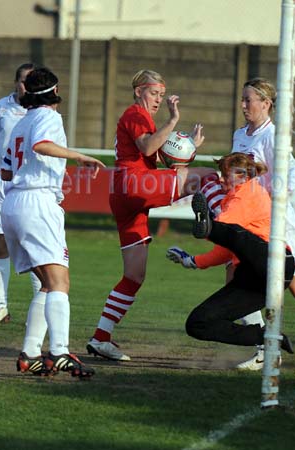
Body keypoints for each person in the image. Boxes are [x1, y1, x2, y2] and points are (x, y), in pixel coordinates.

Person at [86, 69, 217, 361]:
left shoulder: (144, 119)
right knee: (208, 175)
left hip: (126, 196)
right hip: (136, 185)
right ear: (138, 91)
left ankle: (100, 338)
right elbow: (148, 146)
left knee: (134, 275)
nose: (158, 98)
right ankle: (226, 225)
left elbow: (163, 156)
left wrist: (190, 147)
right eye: (153, 93)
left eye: (161, 93)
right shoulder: (135, 114)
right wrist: (173, 121)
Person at [227, 78, 295, 372]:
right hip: (250, 222)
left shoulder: (273, 136)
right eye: (242, 99)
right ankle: (265, 349)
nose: (243, 105)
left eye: (248, 100)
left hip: (278, 221)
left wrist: (274, 201)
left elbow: (290, 173)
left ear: (266, 104)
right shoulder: (240, 135)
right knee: (236, 280)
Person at [1, 67, 104, 377]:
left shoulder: (21, 122)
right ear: (55, 90)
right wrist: (77, 156)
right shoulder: (49, 116)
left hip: (14, 202)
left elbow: (6, 170)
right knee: (60, 282)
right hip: (37, 202)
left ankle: (30, 353)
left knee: (47, 284)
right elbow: (41, 145)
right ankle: (59, 351)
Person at [184, 153, 295, 355]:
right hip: (255, 278)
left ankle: (209, 225)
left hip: (273, 261)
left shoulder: (249, 192)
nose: (221, 179)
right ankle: (268, 337)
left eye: (226, 175)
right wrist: (195, 261)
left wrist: (209, 228)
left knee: (229, 231)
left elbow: (227, 229)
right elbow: (225, 249)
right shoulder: (232, 203)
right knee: (197, 323)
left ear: (243, 176)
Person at [0, 63, 42, 325]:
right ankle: (0, 306)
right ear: (15, 82)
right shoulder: (2, 107)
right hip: (3, 184)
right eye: (22, 80)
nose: (25, 85)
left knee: (33, 246)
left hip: (28, 184)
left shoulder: (42, 111)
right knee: (0, 244)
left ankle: (40, 306)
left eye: (31, 81)